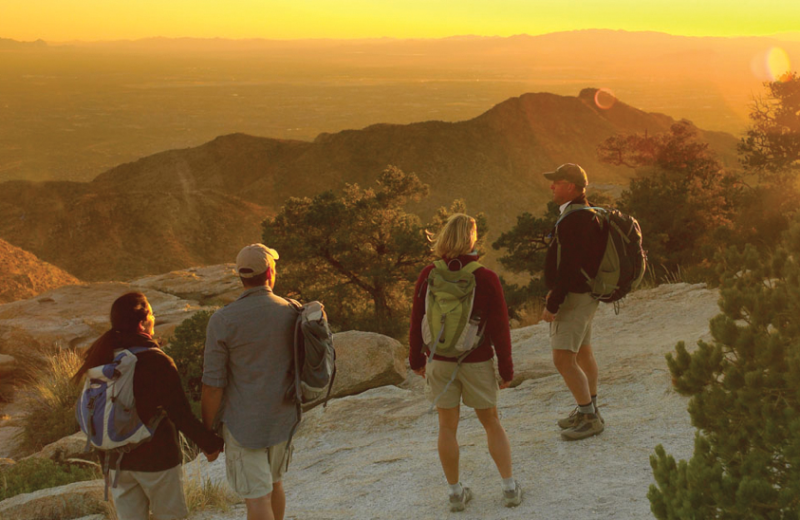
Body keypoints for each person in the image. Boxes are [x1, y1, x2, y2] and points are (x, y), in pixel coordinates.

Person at [73, 292, 224, 520]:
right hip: (157, 460)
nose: (154, 318)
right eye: (152, 314)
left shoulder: (101, 358)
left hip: (115, 461)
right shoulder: (157, 361)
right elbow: (180, 413)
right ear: (143, 323)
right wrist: (210, 444)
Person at [409, 213, 522, 512]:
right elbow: (500, 327)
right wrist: (506, 369)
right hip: (477, 360)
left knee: (447, 427)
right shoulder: (485, 277)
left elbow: (416, 318)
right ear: (471, 239)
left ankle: (455, 493)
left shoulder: (428, 274)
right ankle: (510, 489)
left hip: (439, 360)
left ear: (445, 237)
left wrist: (415, 359)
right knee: (491, 422)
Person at [201, 244, 297, 520]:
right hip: (283, 418)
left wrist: (207, 433)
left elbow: (212, 385)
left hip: (244, 425)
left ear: (241, 276)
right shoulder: (292, 310)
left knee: (256, 497)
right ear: (270, 273)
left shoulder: (223, 319)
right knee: (275, 484)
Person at [541, 163, 606, 440]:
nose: (552, 186)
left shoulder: (573, 219)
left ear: (570, 186)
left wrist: (553, 303)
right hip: (587, 294)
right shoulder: (587, 213)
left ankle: (589, 418)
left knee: (563, 359)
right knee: (583, 353)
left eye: (556, 182)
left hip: (574, 297)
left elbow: (568, 266)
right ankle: (588, 409)